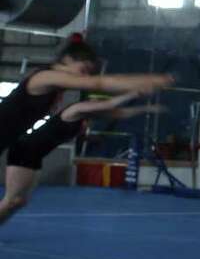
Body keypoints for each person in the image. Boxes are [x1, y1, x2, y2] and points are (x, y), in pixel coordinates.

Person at [0, 34, 174, 159]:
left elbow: (112, 106)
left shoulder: (55, 86)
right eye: (83, 70)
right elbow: (98, 83)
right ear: (67, 59)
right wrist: (150, 79)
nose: (83, 77)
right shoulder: (45, 76)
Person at [0, 89, 152, 227]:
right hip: (25, 150)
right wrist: (133, 93)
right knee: (12, 200)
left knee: (20, 202)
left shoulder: (82, 122)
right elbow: (110, 104)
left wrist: (146, 108)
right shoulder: (74, 109)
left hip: (35, 154)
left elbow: (120, 113)